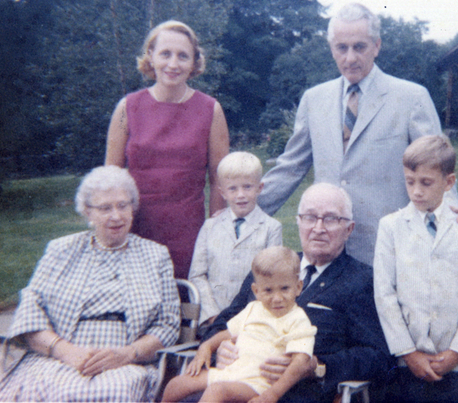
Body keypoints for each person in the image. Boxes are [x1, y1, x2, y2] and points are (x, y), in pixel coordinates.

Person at [258, 3, 458, 265]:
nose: (350, 58)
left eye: (359, 47)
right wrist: (244, 210)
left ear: (376, 46)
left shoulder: (411, 98)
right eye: (341, 48)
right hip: (328, 250)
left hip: (388, 247)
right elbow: (290, 167)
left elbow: (439, 167)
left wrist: (450, 222)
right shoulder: (314, 99)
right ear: (331, 48)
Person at [0, 166, 180, 402]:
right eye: (105, 208)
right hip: (58, 355)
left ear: (133, 208)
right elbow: (30, 311)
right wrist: (66, 351)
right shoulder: (61, 250)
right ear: (87, 213)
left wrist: (126, 354)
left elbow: (168, 324)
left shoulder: (156, 255)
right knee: (53, 390)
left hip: (124, 361)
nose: (116, 216)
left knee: (113, 391)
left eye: (123, 205)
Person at [197, 183, 393, 403]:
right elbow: (223, 320)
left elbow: (377, 356)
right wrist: (219, 349)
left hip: (298, 393)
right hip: (235, 381)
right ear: (298, 222)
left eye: (330, 219)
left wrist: (318, 365)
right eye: (310, 217)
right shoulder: (272, 268)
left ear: (349, 229)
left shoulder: (361, 280)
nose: (318, 228)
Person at [106, 20, 230, 278]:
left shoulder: (211, 110)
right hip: (135, 230)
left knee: (188, 306)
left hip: (188, 233)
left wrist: (214, 232)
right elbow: (110, 178)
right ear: (151, 56)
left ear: (194, 62)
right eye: (165, 54)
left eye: (183, 56)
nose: (173, 64)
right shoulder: (127, 108)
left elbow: (219, 178)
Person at [374, 135, 458, 403]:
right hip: (407, 361)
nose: (416, 191)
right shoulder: (391, 227)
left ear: (449, 182)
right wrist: (408, 352)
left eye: (426, 183)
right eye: (410, 182)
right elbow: (384, 293)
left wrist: (457, 351)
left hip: (453, 361)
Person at [162, 246, 316, 403]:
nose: (277, 298)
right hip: (229, 373)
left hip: (258, 383)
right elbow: (227, 333)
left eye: (284, 288)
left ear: (298, 287)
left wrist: (273, 394)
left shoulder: (297, 319)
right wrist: (206, 347)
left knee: (217, 391)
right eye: (268, 290)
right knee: (177, 384)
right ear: (256, 291)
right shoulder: (253, 309)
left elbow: (301, 360)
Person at [189, 151, 282, 326]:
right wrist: (213, 315)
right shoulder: (210, 227)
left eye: (247, 187)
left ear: (259, 188)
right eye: (233, 188)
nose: (240, 195)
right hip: (213, 319)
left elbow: (271, 278)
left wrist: (248, 318)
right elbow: (197, 275)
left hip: (254, 320)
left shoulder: (271, 228)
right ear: (222, 192)